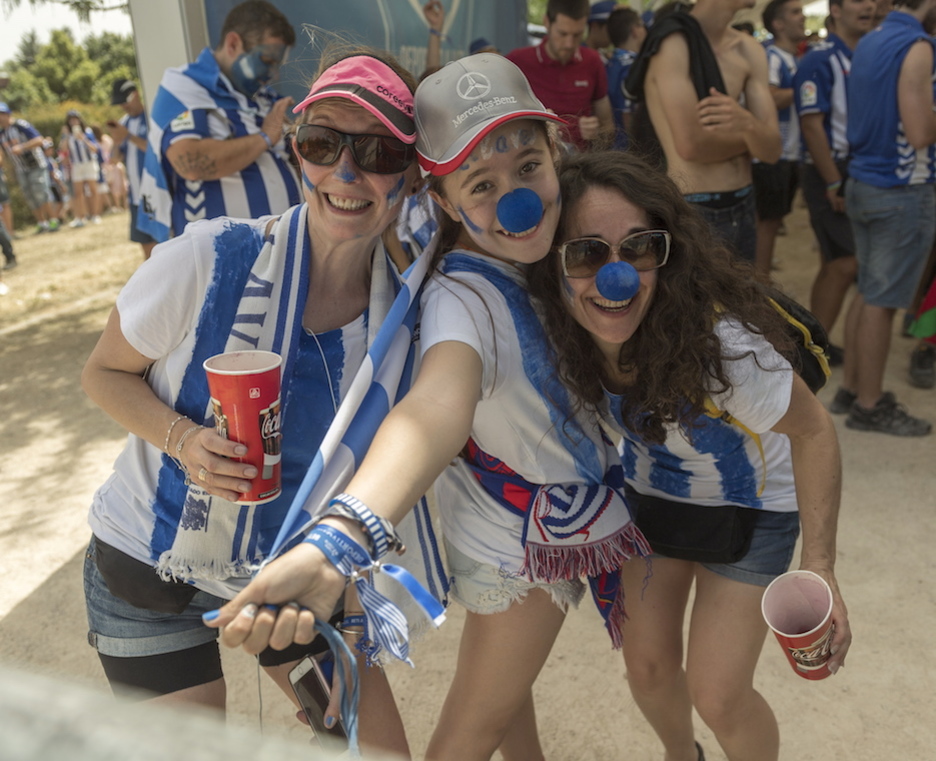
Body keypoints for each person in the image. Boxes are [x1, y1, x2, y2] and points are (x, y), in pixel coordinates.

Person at [206, 54, 648, 761]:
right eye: (482, 183)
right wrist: (342, 536)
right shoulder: (462, 302)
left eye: (528, 167)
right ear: (443, 200)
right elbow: (435, 407)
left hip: (514, 529)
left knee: (507, 700)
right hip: (520, 554)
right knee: (468, 733)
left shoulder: (534, 255)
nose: (517, 201)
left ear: (555, 151)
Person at [80, 47, 429, 756]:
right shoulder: (207, 259)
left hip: (289, 576)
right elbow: (104, 373)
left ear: (412, 174)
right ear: (297, 149)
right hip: (149, 569)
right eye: (324, 142)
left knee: (378, 749)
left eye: (378, 151)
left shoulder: (409, 321)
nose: (347, 171)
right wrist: (182, 438)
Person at [527, 150, 852, 761]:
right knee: (647, 669)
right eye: (588, 252)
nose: (616, 276)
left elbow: (814, 432)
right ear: (556, 261)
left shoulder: (723, 348)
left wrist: (821, 565)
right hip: (654, 500)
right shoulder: (557, 328)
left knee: (719, 693)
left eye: (638, 248)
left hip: (754, 510)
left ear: (665, 254)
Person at [838, 0, 936, 436]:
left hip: (864, 182)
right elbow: (919, 133)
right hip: (900, 191)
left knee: (868, 292)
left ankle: (853, 387)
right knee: (881, 303)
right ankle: (870, 405)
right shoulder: (916, 45)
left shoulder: (873, 38)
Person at [624, 0, 781, 264]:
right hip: (697, 208)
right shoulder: (673, 44)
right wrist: (751, 134)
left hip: (744, 203)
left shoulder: (748, 48)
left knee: (747, 304)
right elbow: (691, 146)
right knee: (702, 304)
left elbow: (773, 150)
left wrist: (747, 123)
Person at [137, 0, 300, 242]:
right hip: (219, 260)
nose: (273, 75)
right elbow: (190, 164)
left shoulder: (263, 97)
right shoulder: (183, 86)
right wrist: (264, 137)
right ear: (233, 43)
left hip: (282, 252)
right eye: (266, 61)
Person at [793, 0, 876, 378]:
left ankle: (816, 343)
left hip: (860, 168)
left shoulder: (869, 50)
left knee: (839, 262)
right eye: (858, 0)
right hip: (830, 168)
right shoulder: (819, 59)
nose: (870, 5)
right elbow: (812, 124)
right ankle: (811, 351)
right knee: (844, 263)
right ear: (836, 9)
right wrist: (832, 179)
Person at [507, 0, 615, 151]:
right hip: (534, 159)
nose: (569, 43)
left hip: (579, 164)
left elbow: (607, 127)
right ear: (547, 23)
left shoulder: (593, 61)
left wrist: (595, 133)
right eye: (562, 34)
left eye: (577, 35)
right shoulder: (517, 61)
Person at [753, 0, 806, 275]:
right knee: (767, 222)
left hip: (789, 152)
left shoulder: (791, 57)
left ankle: (761, 277)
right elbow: (769, 97)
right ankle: (761, 285)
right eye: (795, 12)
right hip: (775, 152)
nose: (803, 17)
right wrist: (808, 91)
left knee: (772, 220)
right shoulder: (772, 56)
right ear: (778, 24)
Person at [108, 78, 158, 260]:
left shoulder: (152, 117)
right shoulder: (124, 122)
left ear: (135, 94)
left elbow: (155, 149)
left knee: (164, 244)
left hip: (155, 193)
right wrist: (116, 141)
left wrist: (128, 136)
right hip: (136, 195)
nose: (123, 106)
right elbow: (114, 159)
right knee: (145, 245)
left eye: (124, 101)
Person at [0, 101, 59, 234]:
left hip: (36, 165)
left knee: (41, 192)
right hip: (20, 169)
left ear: (8, 114)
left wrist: (22, 147)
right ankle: (41, 223)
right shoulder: (2, 134)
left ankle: (53, 220)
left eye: (2, 114)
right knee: (30, 196)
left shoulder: (20, 125)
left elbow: (39, 140)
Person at [605, 6, 647, 150]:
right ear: (635, 30)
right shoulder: (633, 66)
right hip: (628, 149)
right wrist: (638, 148)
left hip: (613, 146)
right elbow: (628, 113)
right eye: (643, 25)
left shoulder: (608, 63)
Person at [61, 110, 102, 228]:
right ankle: (80, 216)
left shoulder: (87, 132)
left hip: (89, 163)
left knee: (93, 189)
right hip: (77, 165)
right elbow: (63, 150)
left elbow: (95, 149)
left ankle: (95, 215)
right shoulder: (68, 135)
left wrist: (83, 138)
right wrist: (65, 136)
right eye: (71, 120)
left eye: (75, 119)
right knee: (78, 193)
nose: (73, 121)